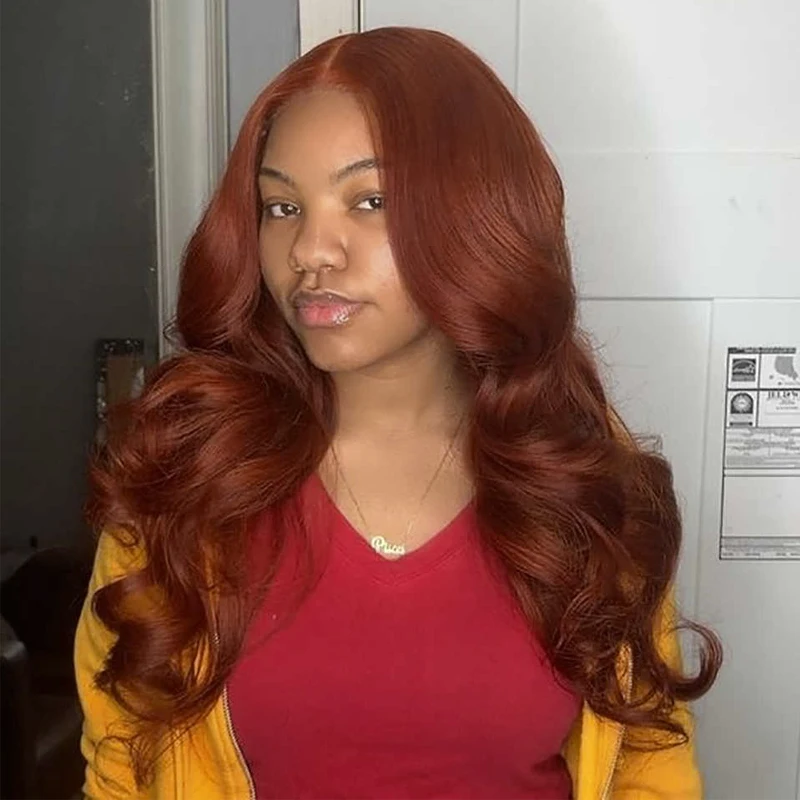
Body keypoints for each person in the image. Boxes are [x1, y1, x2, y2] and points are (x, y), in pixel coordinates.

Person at [74, 26, 722, 800]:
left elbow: (649, 763)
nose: (310, 249)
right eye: (281, 206)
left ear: (476, 214)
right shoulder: (187, 476)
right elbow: (121, 766)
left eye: (369, 201)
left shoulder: (579, 480)